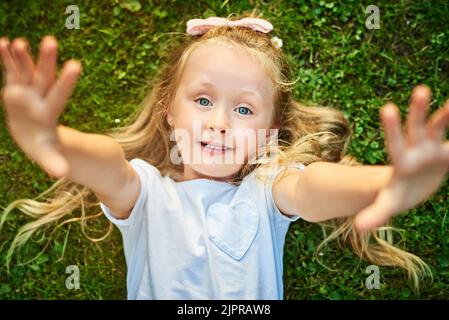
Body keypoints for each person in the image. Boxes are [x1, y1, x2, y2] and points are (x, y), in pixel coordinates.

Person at [1, 15, 448, 299]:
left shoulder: (265, 192)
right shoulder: (150, 194)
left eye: (243, 110)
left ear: (270, 132)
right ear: (169, 112)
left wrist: (387, 183)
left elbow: (312, 188)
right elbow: (108, 167)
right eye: (201, 101)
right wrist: (53, 141)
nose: (219, 122)